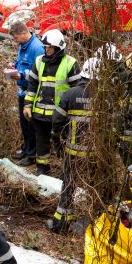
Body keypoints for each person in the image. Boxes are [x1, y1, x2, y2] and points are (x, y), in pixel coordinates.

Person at [47, 57, 99, 234]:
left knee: (68, 186)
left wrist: (59, 142)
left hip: (72, 151)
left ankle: (61, 224)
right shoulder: (103, 97)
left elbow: (57, 121)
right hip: (94, 155)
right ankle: (92, 224)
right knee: (95, 186)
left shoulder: (70, 94)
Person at [23, 29, 81, 175]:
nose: (46, 50)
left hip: (60, 115)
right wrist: (27, 104)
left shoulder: (70, 64)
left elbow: (77, 90)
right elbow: (32, 85)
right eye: (45, 47)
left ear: (58, 48)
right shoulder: (39, 61)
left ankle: (66, 170)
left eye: (49, 47)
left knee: (62, 142)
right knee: (41, 141)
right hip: (40, 113)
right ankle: (42, 168)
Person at [6, 21, 44, 167]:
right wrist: (14, 67)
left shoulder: (37, 48)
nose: (14, 41)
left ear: (23, 33)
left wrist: (21, 75)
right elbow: (22, 62)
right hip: (22, 92)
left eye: (15, 38)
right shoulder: (23, 45)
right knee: (24, 123)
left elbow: (39, 74)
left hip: (33, 94)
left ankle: (31, 155)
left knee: (31, 125)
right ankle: (26, 149)